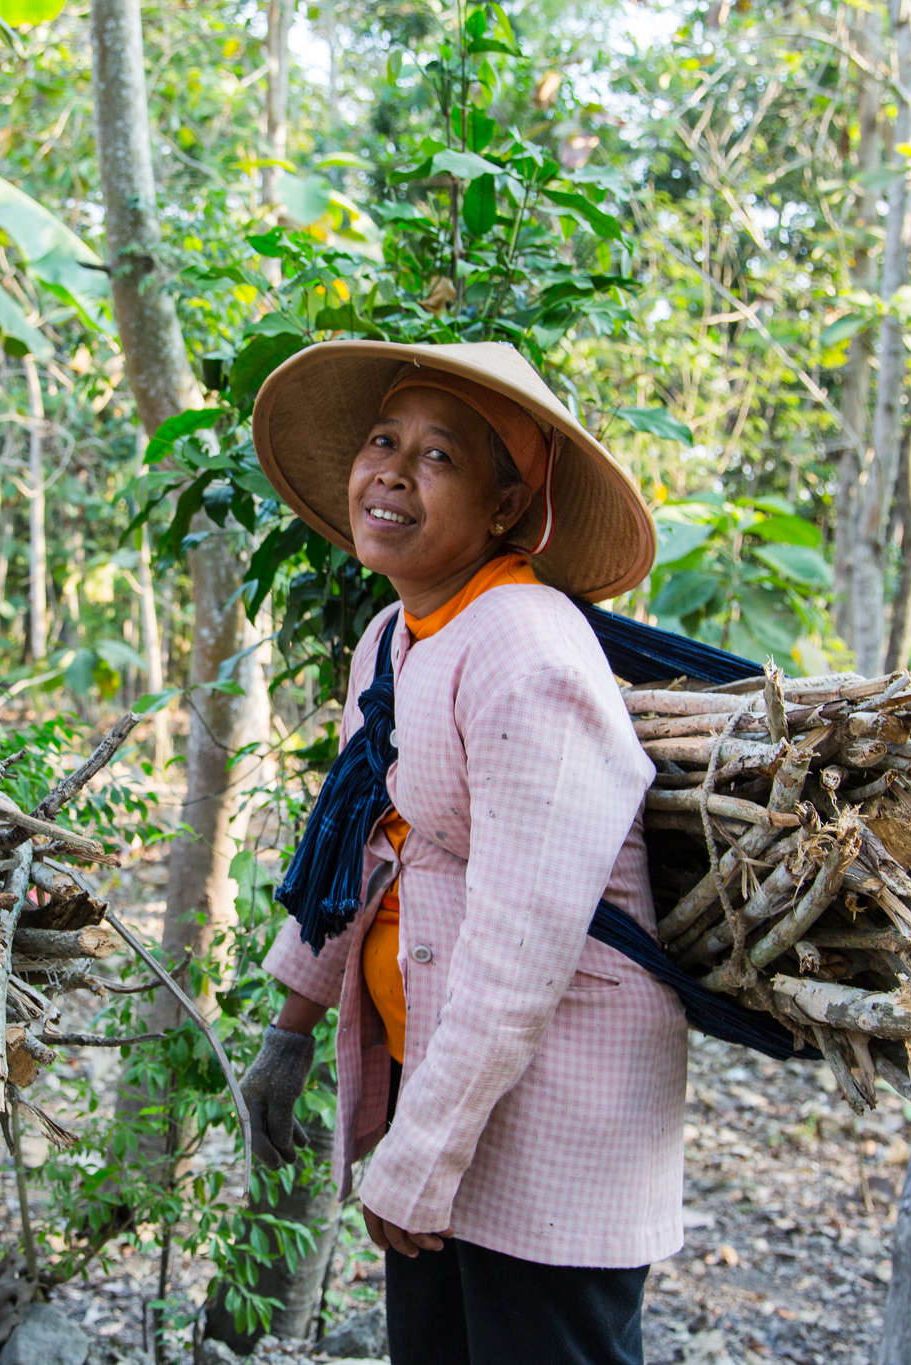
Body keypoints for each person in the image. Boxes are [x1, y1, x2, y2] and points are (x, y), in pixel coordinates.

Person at [236, 341, 682, 1364]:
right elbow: (353, 838)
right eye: (382, 442)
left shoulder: (526, 652)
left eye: (438, 457)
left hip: (557, 1096)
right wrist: (291, 1027)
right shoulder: (394, 637)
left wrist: (421, 1152)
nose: (390, 471)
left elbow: (524, 935)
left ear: (504, 510)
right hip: (438, 1072)